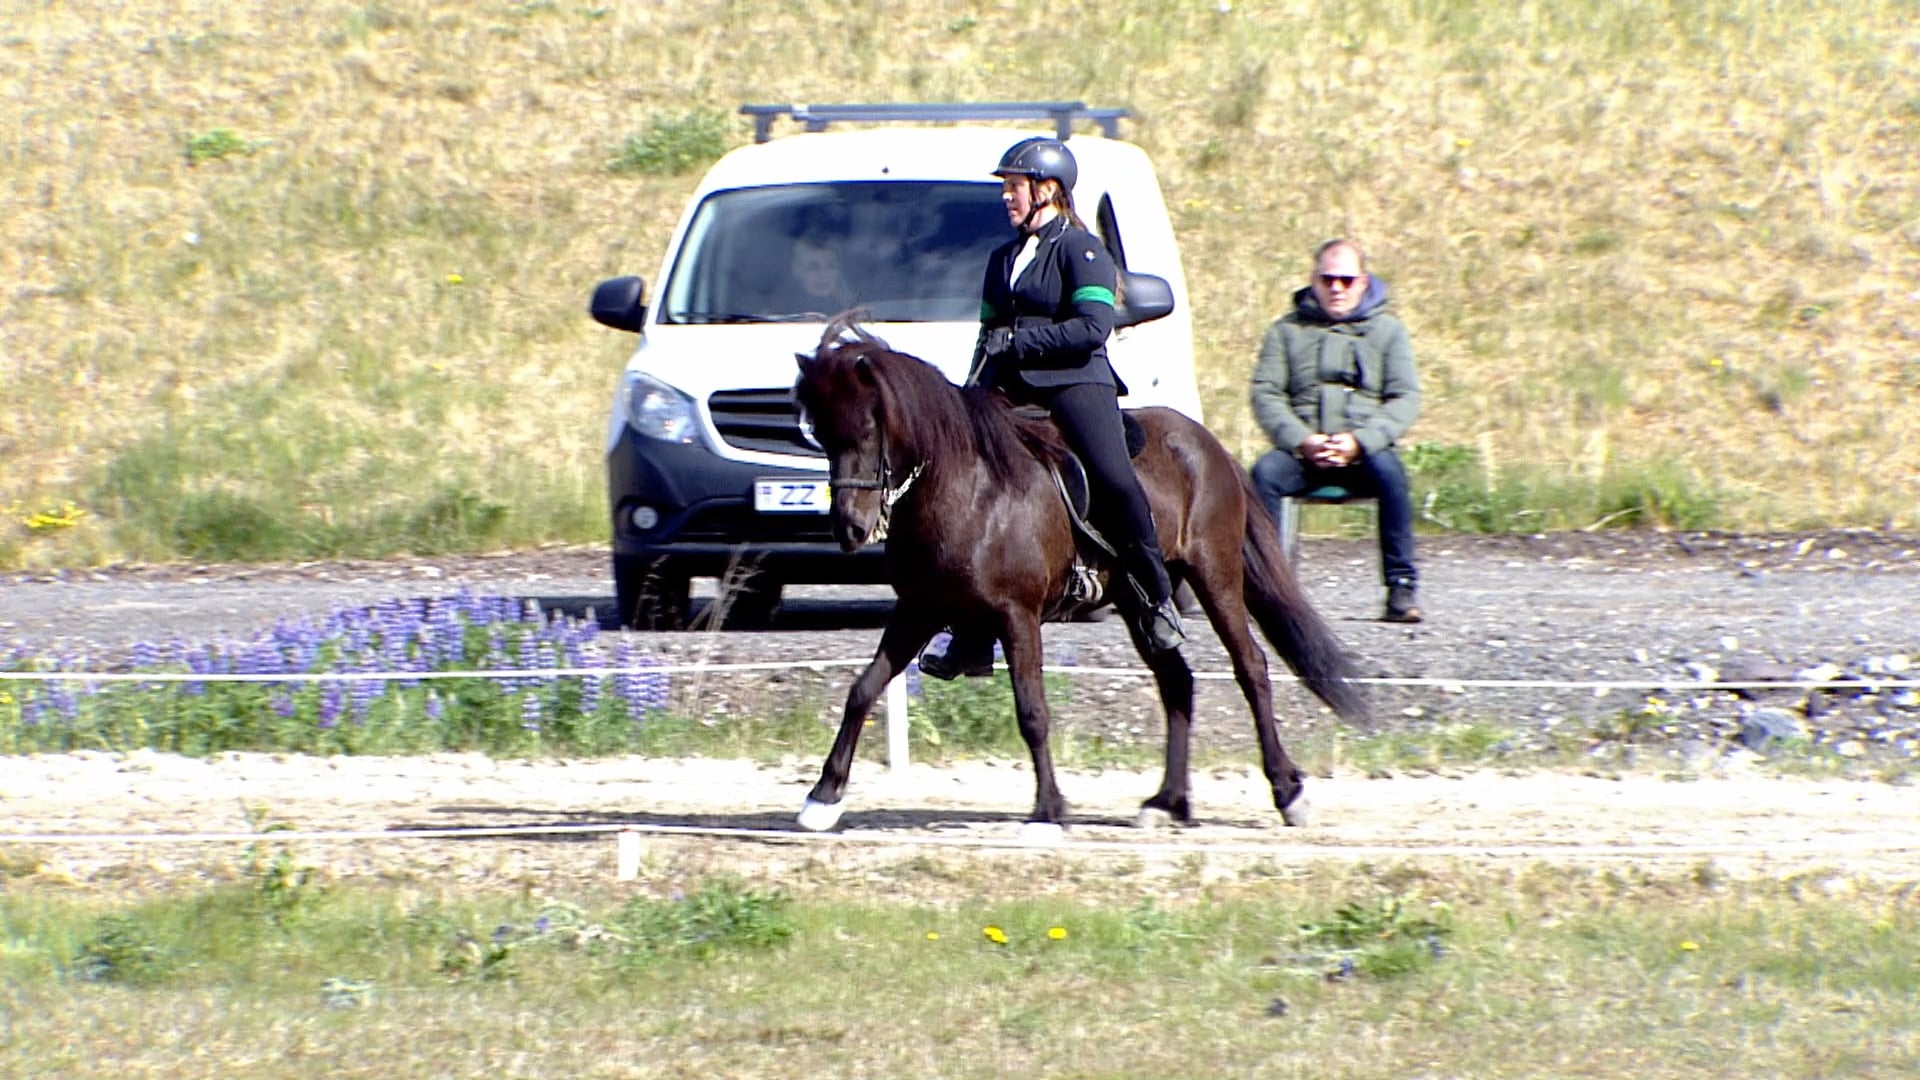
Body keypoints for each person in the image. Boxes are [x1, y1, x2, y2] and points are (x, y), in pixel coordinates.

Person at [918, 136, 1185, 679]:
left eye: (1014, 187)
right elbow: (988, 333)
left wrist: (1018, 343)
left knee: (1113, 477)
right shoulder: (1002, 259)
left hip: (1075, 383)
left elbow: (1093, 328)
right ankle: (969, 636)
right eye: (1006, 188)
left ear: (1048, 191)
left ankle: (1157, 596)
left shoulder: (1083, 252)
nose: (1006, 198)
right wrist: (970, 391)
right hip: (1011, 388)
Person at [1249, 238, 1424, 622]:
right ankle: (1268, 588)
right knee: (1264, 474)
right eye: (1328, 279)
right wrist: (1302, 440)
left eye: (1346, 280)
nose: (1336, 288)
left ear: (1363, 282)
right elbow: (1266, 394)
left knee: (1391, 474)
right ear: (1313, 281)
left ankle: (1401, 587)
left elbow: (1404, 398)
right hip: (1304, 452)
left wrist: (1360, 442)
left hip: (1363, 452)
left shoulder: (1388, 332)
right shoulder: (1285, 332)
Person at [775, 232, 856, 315]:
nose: (823, 274)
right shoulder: (777, 315)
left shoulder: (857, 314)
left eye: (831, 266)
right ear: (797, 270)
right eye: (813, 267)